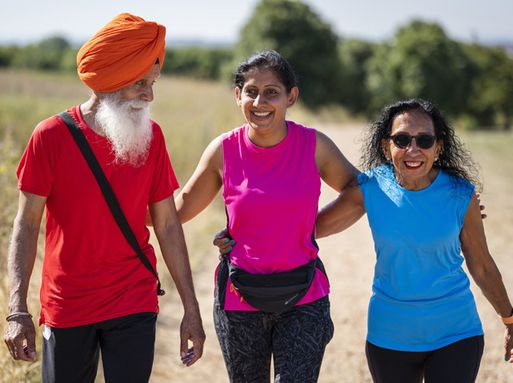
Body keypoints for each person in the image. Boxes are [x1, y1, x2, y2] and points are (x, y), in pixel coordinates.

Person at [3, 13, 205, 383]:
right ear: (107, 82)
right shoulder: (49, 136)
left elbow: (167, 223)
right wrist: (17, 310)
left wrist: (192, 309)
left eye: (153, 83)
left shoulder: (152, 136)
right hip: (67, 303)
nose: (149, 95)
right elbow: (26, 224)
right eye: (139, 83)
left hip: (133, 297)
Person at [175, 50, 359, 382]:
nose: (260, 101)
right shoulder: (223, 150)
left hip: (304, 297)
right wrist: (117, 206)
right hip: (239, 298)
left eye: (272, 92)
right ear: (238, 96)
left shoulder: (313, 146)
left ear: (291, 96)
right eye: (251, 91)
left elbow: (360, 191)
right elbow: (178, 209)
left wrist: (313, 227)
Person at [312, 99, 513, 382]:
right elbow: (311, 228)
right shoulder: (371, 187)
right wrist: (242, 231)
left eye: (425, 140)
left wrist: (509, 318)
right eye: (402, 139)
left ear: (439, 146)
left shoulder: (460, 194)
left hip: (455, 332)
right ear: (386, 145)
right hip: (389, 335)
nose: (413, 149)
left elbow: (481, 264)